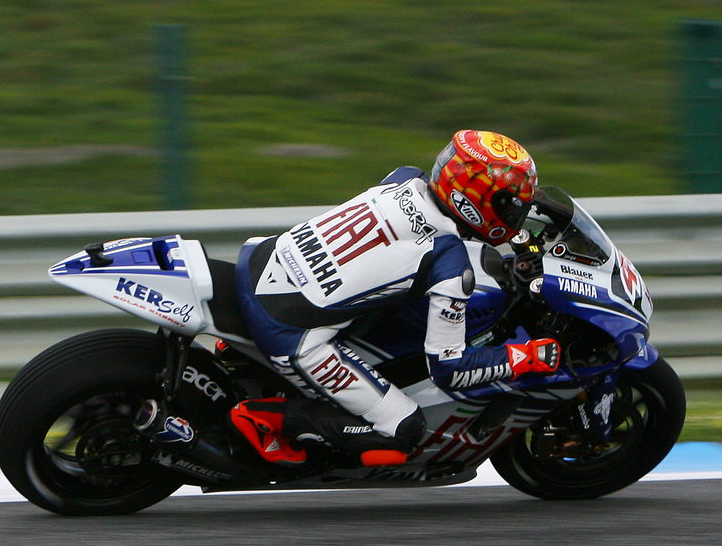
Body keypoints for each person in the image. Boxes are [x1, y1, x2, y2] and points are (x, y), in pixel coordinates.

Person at [226, 129, 561, 467]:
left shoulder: (403, 178)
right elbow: (448, 368)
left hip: (264, 260)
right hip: (289, 329)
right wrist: (527, 357)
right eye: (512, 203)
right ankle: (268, 419)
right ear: (477, 203)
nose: (518, 211)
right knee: (404, 430)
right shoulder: (448, 264)